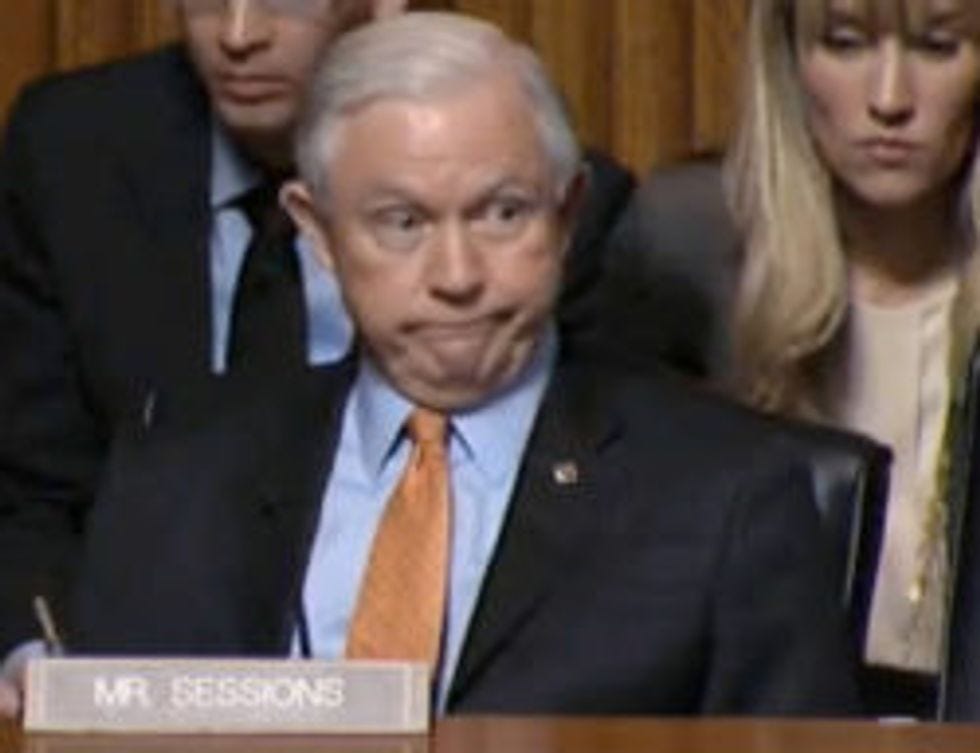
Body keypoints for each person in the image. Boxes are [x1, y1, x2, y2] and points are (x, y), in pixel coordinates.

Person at [0, 11, 859, 718]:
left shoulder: (731, 496)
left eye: (502, 213)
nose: (456, 275)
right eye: (402, 223)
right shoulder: (180, 479)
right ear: (318, 232)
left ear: (567, 216)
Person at [599, 0, 980, 716]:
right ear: (788, 59)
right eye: (845, 43)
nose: (889, 99)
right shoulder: (689, 252)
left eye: (937, 47)